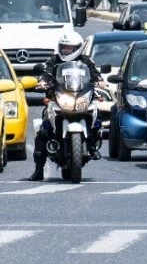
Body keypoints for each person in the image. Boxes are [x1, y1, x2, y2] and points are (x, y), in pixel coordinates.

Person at [25, 31, 102, 181]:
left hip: (80, 97)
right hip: (59, 98)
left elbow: (95, 74)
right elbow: (46, 73)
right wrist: (42, 82)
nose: (65, 51)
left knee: (97, 118)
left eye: (69, 48)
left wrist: (100, 80)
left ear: (77, 48)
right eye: (64, 47)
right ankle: (38, 170)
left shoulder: (85, 61)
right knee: (42, 130)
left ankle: (92, 143)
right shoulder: (54, 60)